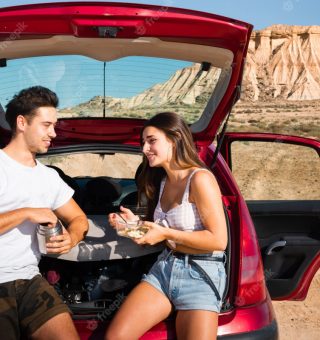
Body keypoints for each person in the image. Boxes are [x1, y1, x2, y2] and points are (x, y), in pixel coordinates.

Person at [106, 112, 228, 340]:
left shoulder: (200, 179)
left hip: (200, 273)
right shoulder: (162, 182)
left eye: (152, 140)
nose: (144, 148)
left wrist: (164, 232)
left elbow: (219, 240)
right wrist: (132, 226)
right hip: (164, 268)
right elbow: (161, 235)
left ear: (174, 139)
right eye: (143, 142)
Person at [0, 86, 89, 339]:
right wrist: (26, 213)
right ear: (21, 123)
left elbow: (79, 218)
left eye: (54, 125)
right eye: (47, 125)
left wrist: (72, 237)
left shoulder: (48, 177)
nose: (53, 133)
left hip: (29, 279)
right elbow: (29, 214)